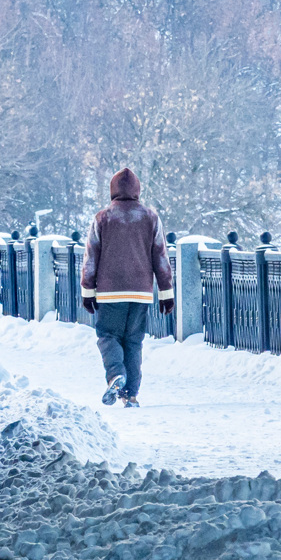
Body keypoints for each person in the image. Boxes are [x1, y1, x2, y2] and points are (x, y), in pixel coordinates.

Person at [79, 168, 174, 409]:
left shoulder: (103, 218)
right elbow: (160, 256)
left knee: (108, 336)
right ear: (137, 191)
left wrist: (88, 291)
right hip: (141, 293)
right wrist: (166, 293)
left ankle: (115, 376)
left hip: (110, 292)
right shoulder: (151, 218)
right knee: (133, 341)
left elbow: (91, 257)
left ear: (113, 191)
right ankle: (130, 395)